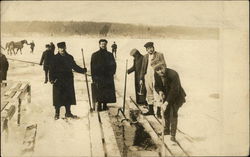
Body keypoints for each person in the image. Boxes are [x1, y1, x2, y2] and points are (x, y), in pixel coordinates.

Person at [49, 42, 87, 120]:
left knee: (68, 96)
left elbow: (74, 66)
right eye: (60, 48)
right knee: (58, 97)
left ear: (65, 48)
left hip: (68, 80)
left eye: (63, 48)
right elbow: (51, 70)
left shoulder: (69, 57)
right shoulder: (54, 58)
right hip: (58, 80)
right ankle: (57, 113)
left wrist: (82, 70)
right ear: (58, 49)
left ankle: (68, 112)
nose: (62, 49)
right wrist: (51, 79)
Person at [153, 62, 186, 142]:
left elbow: (174, 90)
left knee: (173, 114)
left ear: (164, 67)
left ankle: (173, 135)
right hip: (166, 95)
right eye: (158, 70)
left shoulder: (173, 74)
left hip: (176, 97)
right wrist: (160, 91)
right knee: (166, 112)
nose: (160, 71)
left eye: (161, 69)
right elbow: (156, 86)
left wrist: (166, 103)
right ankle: (167, 130)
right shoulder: (156, 74)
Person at [139, 42, 166, 118]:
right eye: (148, 49)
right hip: (147, 75)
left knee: (157, 92)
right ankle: (151, 110)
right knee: (149, 92)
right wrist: (141, 78)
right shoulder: (145, 57)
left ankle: (158, 111)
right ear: (146, 50)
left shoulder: (159, 55)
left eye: (151, 48)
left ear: (153, 48)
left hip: (156, 76)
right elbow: (142, 68)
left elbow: (164, 66)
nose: (150, 50)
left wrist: (163, 77)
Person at [91, 39, 116, 111]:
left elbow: (114, 65)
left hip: (107, 77)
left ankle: (105, 105)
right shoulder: (95, 55)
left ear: (106, 45)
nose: (103, 45)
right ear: (99, 45)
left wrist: (112, 73)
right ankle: (99, 105)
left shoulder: (110, 55)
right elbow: (92, 67)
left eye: (104, 44)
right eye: (102, 44)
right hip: (98, 77)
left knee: (106, 91)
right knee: (99, 91)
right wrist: (94, 77)